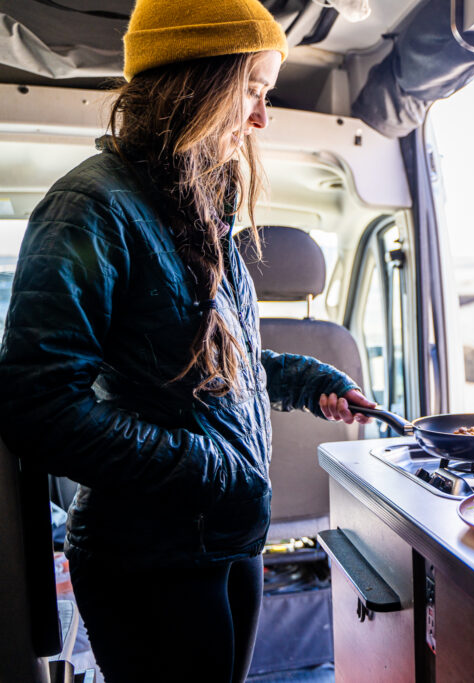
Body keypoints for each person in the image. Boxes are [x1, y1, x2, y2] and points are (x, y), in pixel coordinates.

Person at [0, 1, 376, 680]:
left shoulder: (198, 204)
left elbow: (203, 365)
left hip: (226, 536)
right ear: (196, 81)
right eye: (253, 91)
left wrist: (302, 379)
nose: (262, 118)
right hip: (150, 561)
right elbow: (38, 406)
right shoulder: (90, 207)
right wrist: (210, 468)